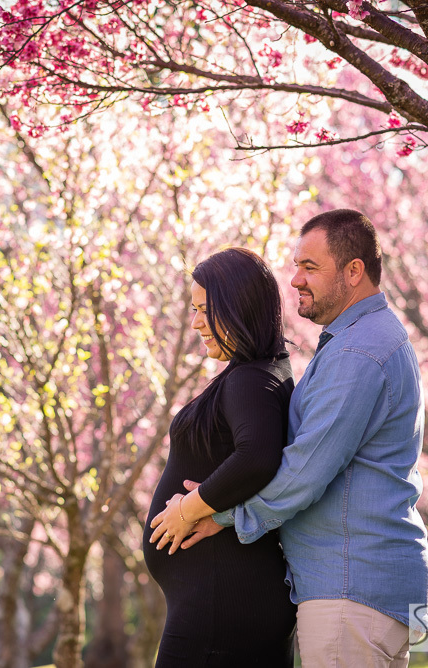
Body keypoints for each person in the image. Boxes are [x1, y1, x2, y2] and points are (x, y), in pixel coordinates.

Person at [151, 210, 428, 668]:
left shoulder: (359, 352)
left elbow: (304, 471)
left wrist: (213, 513)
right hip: (355, 587)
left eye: (310, 267)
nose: (295, 279)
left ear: (354, 271)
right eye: (296, 265)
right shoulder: (359, 341)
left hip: (350, 587)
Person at [141, 247, 297, 667]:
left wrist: (187, 510)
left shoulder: (250, 379)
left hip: (220, 608)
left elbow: (257, 457)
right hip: (221, 602)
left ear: (239, 305)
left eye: (206, 309)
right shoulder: (257, 372)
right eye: (194, 309)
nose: (196, 323)